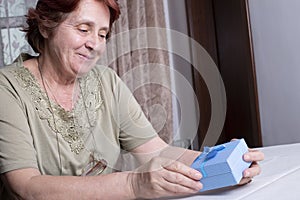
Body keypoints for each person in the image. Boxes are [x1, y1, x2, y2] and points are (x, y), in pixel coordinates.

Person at [0, 0, 264, 199]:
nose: (95, 44)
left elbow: (157, 151)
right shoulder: (7, 87)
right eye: (83, 29)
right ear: (47, 27)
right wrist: (133, 184)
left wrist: (224, 165)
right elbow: (26, 185)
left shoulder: (106, 81)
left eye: (102, 34)